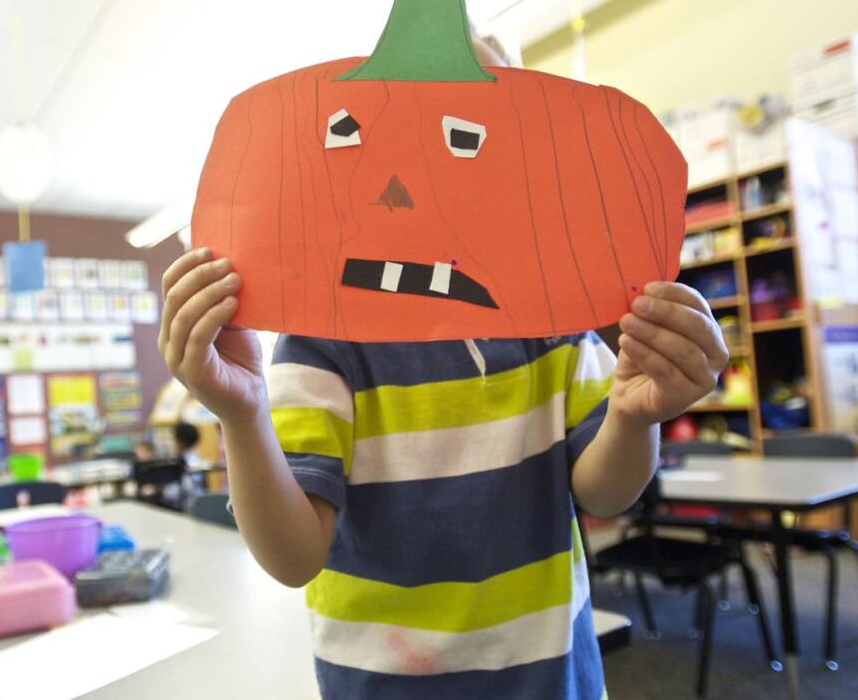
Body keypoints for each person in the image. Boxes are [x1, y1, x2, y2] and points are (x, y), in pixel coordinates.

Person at [159, 44, 728, 700]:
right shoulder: (323, 340)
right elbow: (292, 558)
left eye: (469, 137)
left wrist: (634, 417)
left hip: (548, 679)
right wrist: (241, 413)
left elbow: (604, 495)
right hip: (384, 686)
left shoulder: (555, 316)